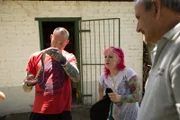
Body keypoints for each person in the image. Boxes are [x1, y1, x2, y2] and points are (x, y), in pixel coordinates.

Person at [135, 0, 180, 120]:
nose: (137, 28)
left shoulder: (178, 48)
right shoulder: (164, 48)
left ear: (156, 8)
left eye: (138, 17)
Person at [22, 27, 80, 120]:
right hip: (39, 110)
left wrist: (63, 61)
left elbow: (76, 78)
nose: (57, 46)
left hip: (62, 111)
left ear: (66, 42)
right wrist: (28, 83)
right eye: (55, 41)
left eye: (61, 43)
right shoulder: (36, 57)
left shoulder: (69, 57)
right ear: (51, 37)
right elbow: (26, 89)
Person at [98, 46, 141, 120]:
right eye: (105, 56)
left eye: (111, 56)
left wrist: (120, 98)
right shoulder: (103, 78)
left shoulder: (128, 73)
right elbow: (100, 102)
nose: (107, 59)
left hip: (133, 117)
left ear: (119, 60)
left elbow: (137, 96)